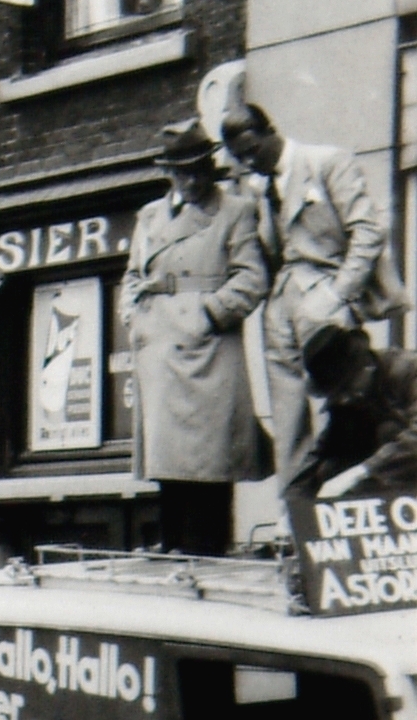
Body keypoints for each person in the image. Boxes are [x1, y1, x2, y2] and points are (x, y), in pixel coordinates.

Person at [221, 103, 402, 487]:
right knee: (287, 418)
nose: (250, 162)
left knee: (344, 408)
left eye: (253, 150)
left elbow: (368, 231)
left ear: (271, 131)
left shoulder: (326, 162)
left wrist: (339, 293)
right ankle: (295, 509)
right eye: (241, 158)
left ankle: (349, 498)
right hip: (280, 306)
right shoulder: (258, 188)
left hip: (325, 294)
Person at [121, 119, 270, 555]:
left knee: (209, 451)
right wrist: (133, 315)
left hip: (206, 347)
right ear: (168, 172)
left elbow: (252, 278)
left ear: (210, 168)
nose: (191, 181)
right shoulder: (149, 216)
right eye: (181, 172)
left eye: (198, 170)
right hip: (157, 341)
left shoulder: (235, 211)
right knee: (167, 452)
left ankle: (206, 547)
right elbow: (132, 275)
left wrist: (207, 314)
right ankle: (171, 541)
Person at [292, 321, 417, 499]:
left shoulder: (409, 369)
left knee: (388, 430)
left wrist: (361, 472)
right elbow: (323, 451)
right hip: (393, 474)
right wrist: (293, 501)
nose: (343, 399)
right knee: (334, 462)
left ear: (367, 368)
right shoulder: (349, 399)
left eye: (346, 388)